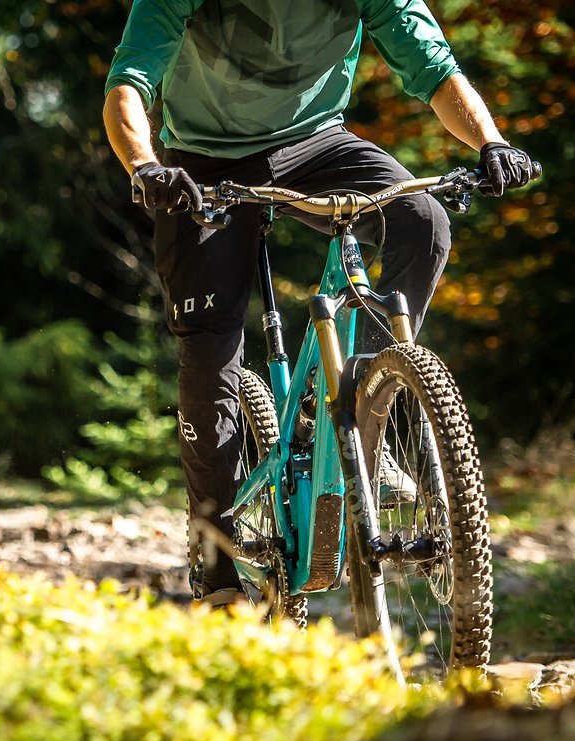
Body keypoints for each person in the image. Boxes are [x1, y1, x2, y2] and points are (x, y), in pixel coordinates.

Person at [102, 0, 536, 608]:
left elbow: (434, 68)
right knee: (209, 361)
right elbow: (129, 84)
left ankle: (362, 412)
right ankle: (218, 566)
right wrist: (146, 166)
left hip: (317, 146)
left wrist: (490, 141)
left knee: (423, 218)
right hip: (200, 161)